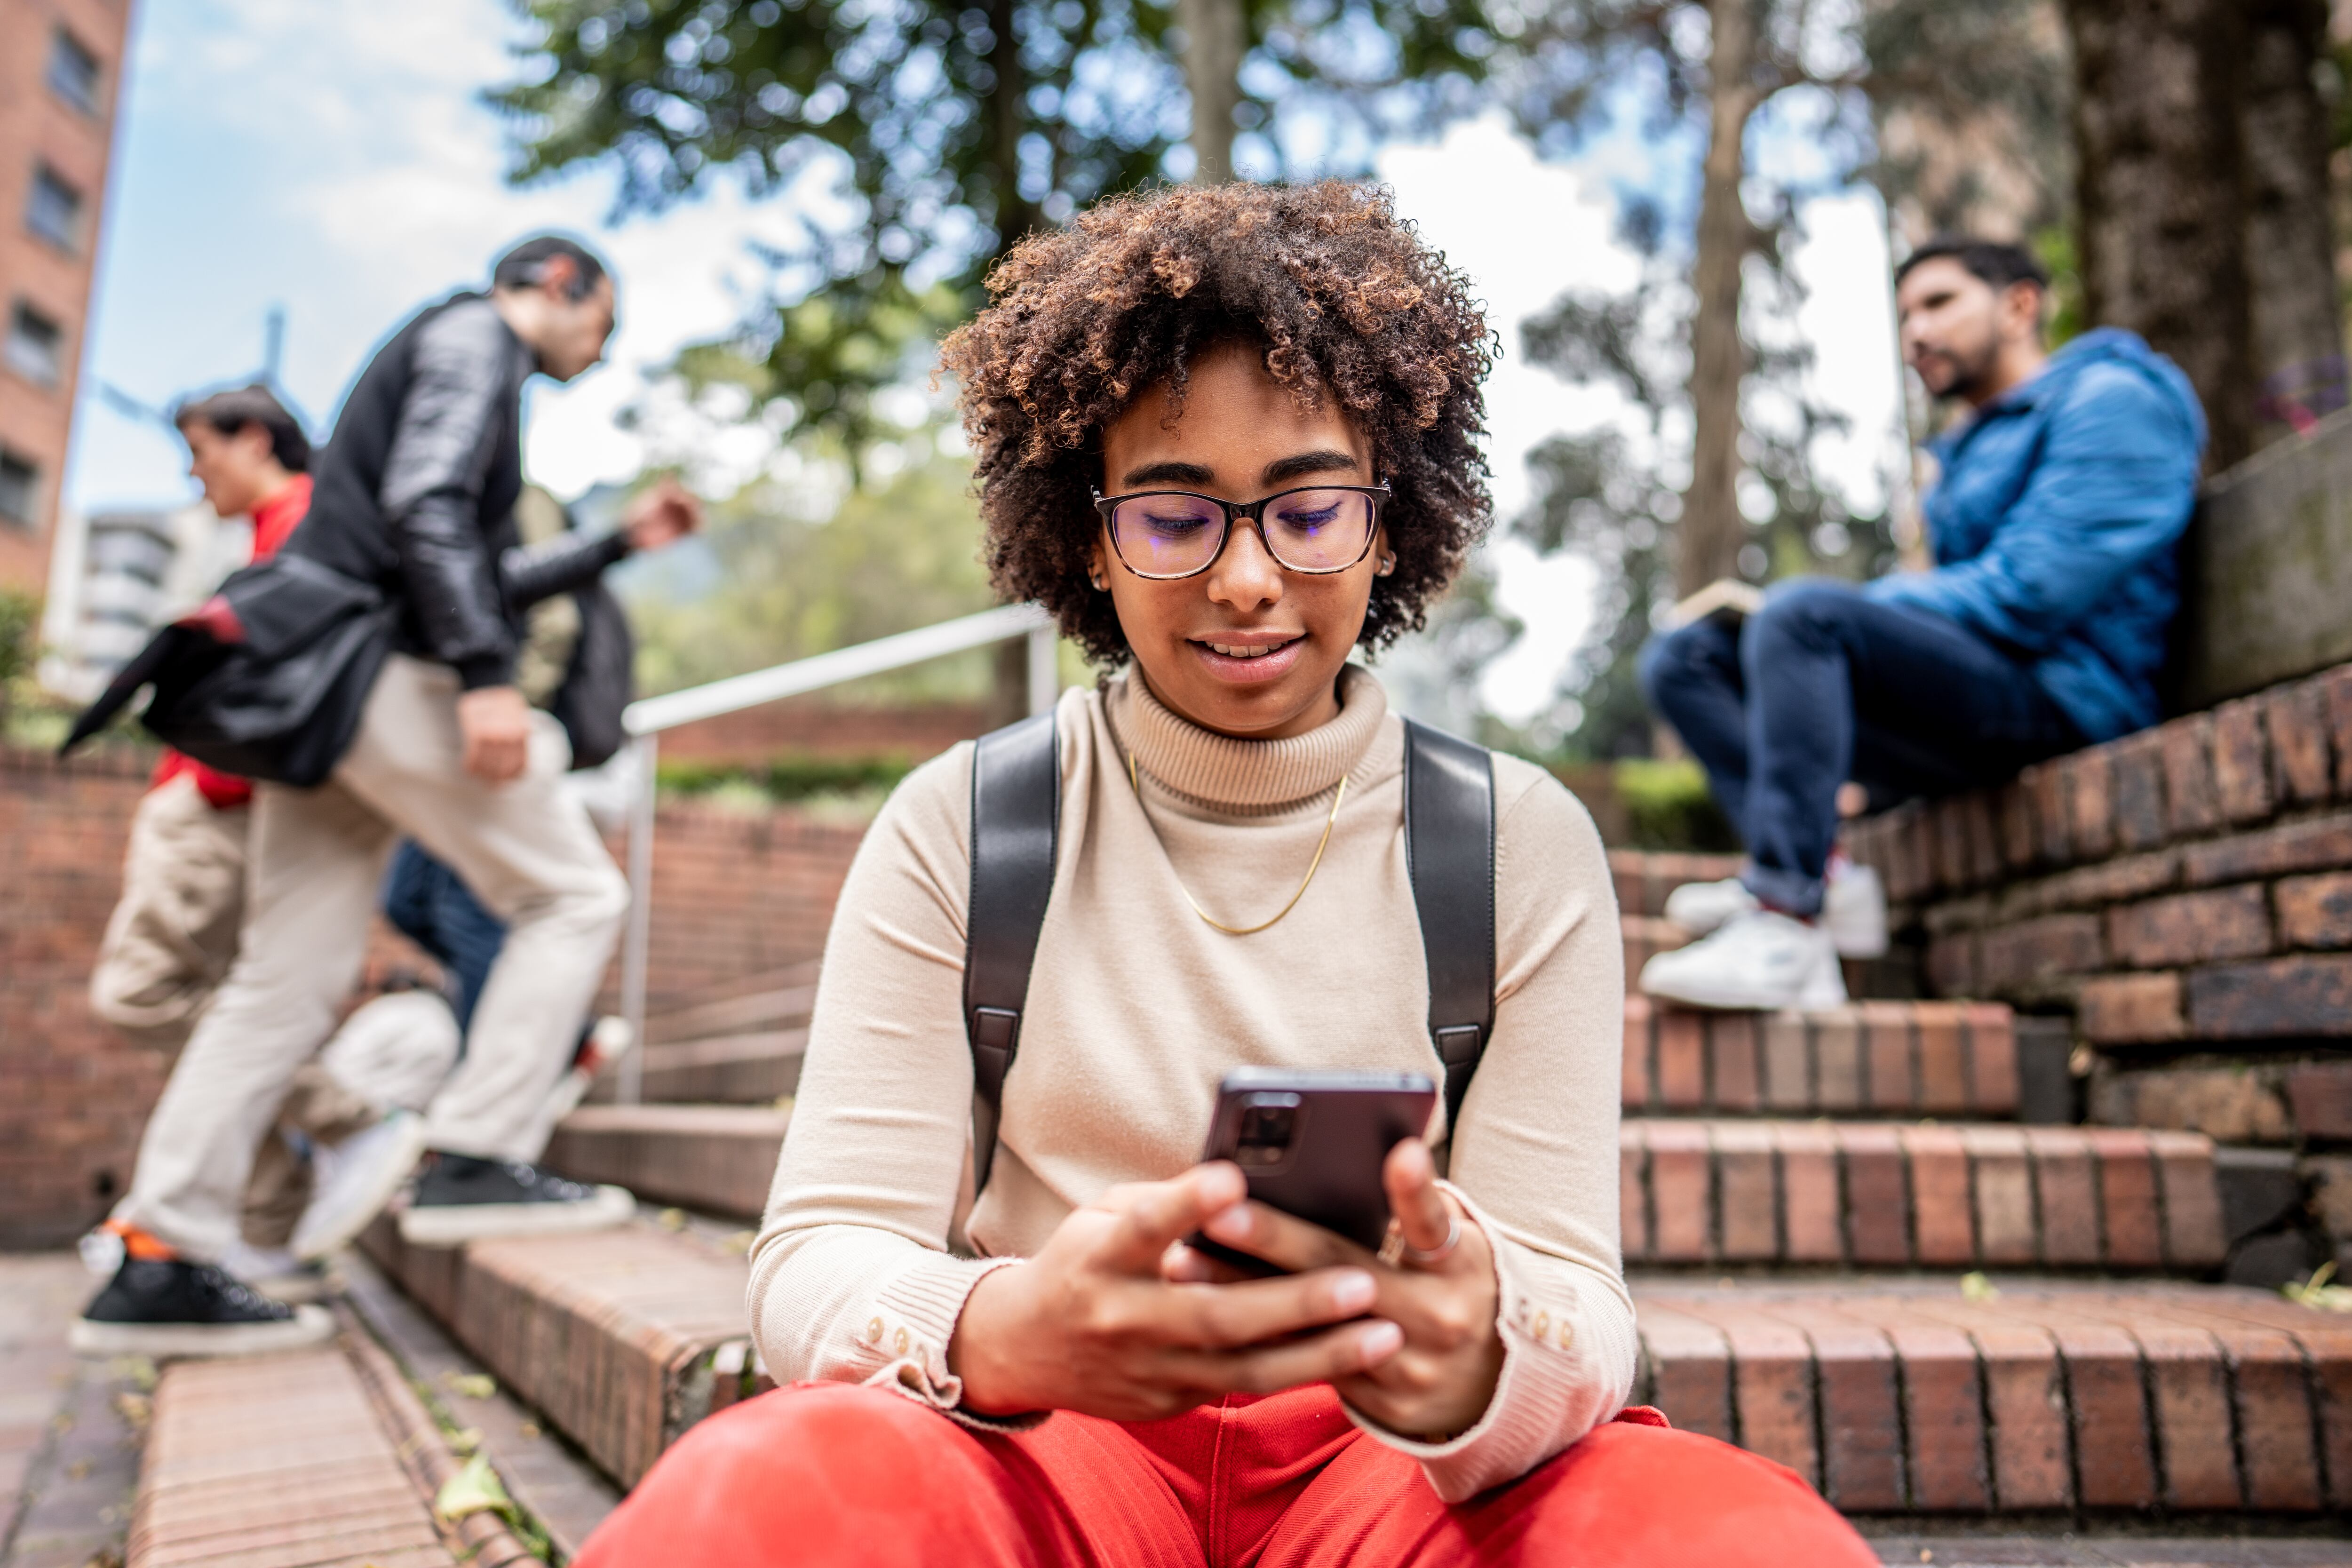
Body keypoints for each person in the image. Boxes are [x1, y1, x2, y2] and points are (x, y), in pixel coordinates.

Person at [581, 182, 1876, 1567]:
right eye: (1174, 512)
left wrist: (1477, 1351)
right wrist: (1007, 1323)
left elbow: (1580, 1300)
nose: (1249, 577)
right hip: (1041, 1443)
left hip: (1397, 1472)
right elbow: (818, 1251)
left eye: (1309, 508)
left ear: (1388, 524)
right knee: (758, 1499)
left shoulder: (1519, 841)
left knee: (1723, 1538)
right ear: (1088, 534)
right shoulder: (959, 821)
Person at [76, 235, 698, 1358]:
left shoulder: (443, 350)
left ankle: (159, 1255)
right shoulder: (477, 339)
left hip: (322, 700)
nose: (597, 355)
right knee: (571, 897)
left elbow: (455, 550)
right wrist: (484, 678)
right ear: (563, 285)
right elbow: (427, 510)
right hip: (380, 679)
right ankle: (473, 1150)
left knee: (281, 980)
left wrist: (617, 542)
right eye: (601, 328)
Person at [1637, 236, 2208, 1012]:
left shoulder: (2113, 400)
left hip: (2071, 701)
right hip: (1985, 700)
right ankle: (1822, 877)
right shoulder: (1968, 450)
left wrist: (1869, 605)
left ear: (2019, 306)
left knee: (1804, 617)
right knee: (1687, 657)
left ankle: (1786, 921)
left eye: (1939, 303)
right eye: (1904, 315)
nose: (1915, 332)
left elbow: (2032, 593)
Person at [86, 384, 439, 1297]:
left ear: (253, 438)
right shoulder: (280, 529)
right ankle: (270, 1210)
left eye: (202, 450)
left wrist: (213, 783)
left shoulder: (308, 523)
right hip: (225, 801)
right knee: (227, 1003)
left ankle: (340, 1124)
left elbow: (298, 682)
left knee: (146, 992)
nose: (194, 472)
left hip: (227, 802)